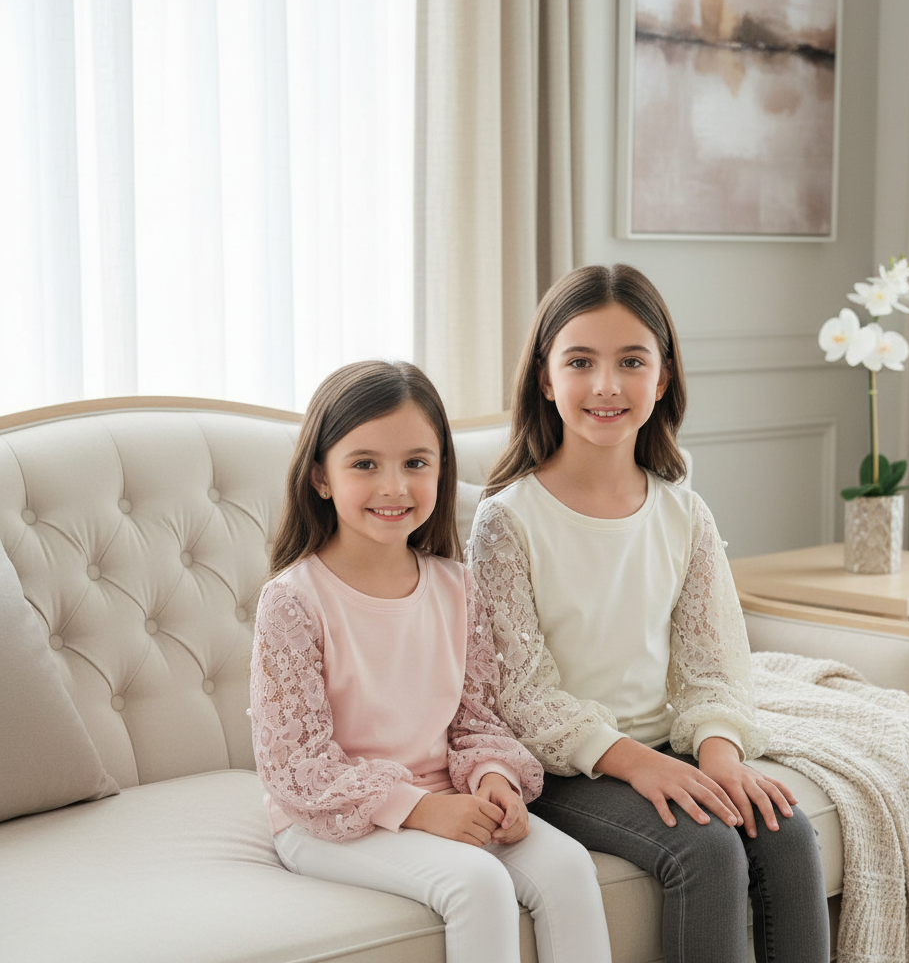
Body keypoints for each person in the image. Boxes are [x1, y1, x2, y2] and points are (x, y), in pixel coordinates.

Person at [467, 265, 830, 963]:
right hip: (561, 769)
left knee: (785, 831)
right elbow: (521, 696)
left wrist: (720, 757)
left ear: (662, 379)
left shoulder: (684, 514)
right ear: (546, 379)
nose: (606, 384)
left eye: (631, 362)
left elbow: (713, 666)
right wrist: (638, 765)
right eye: (581, 362)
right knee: (706, 847)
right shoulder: (506, 521)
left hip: (663, 745)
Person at [249, 360, 613, 963]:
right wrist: (420, 809)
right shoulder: (293, 600)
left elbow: (476, 720)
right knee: (479, 883)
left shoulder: (458, 587)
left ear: (442, 470)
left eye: (416, 463)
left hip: (448, 793)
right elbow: (298, 767)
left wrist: (494, 780)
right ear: (320, 477)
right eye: (365, 464)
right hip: (327, 819)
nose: (394, 486)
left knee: (570, 867)